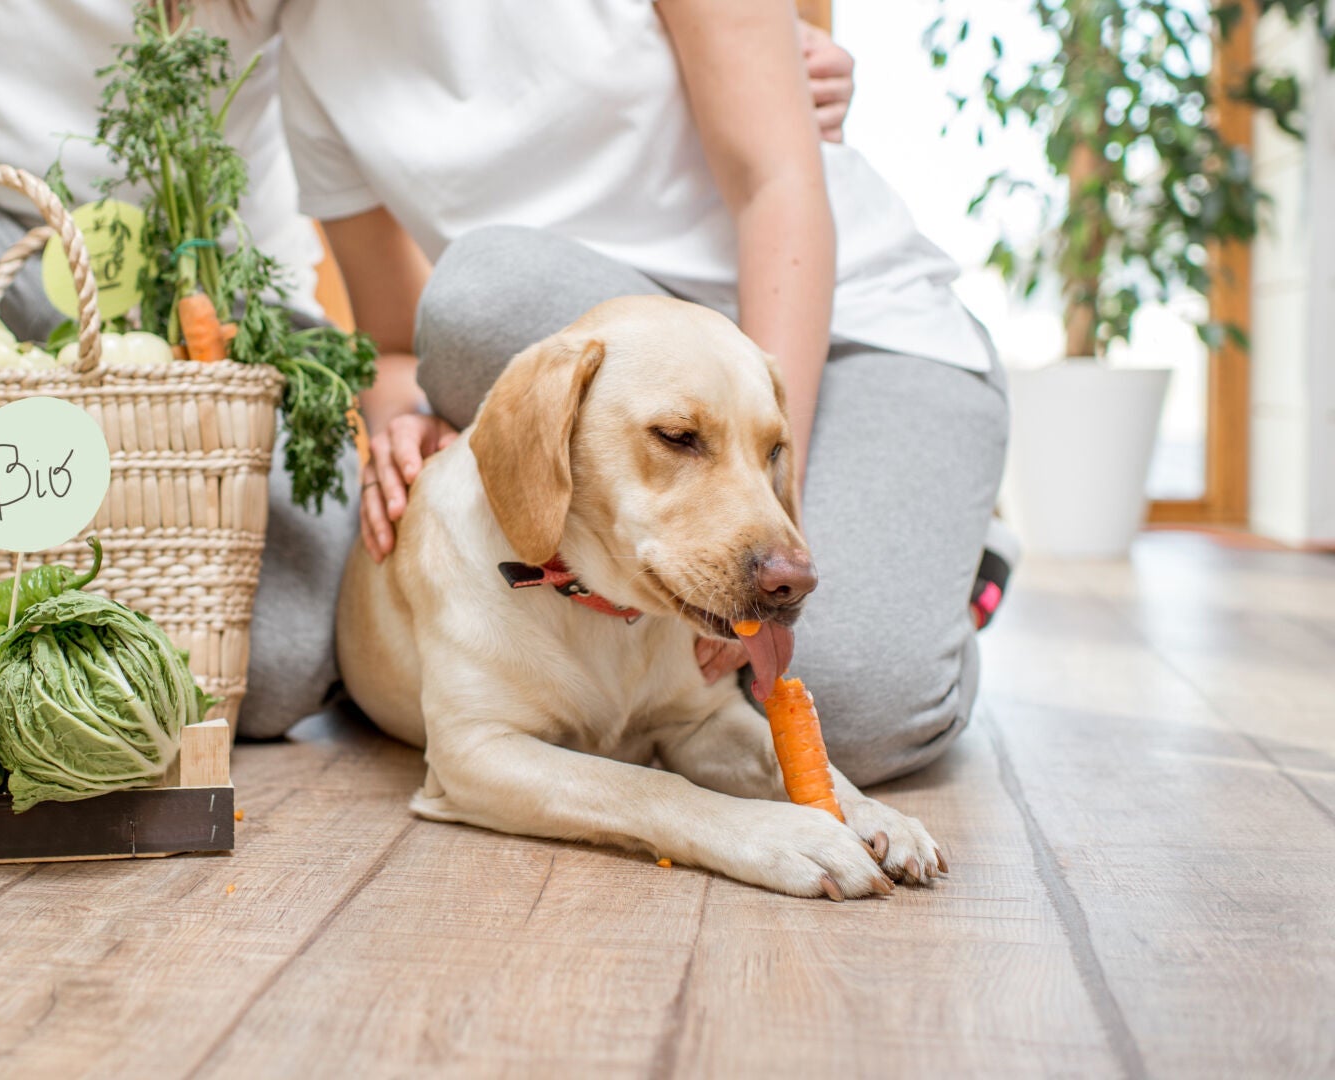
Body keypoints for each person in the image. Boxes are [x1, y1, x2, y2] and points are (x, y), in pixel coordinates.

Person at [0, 0, 857, 741]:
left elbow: (482, 58)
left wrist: (727, 46)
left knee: (262, 678)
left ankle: (48, 589)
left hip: (209, 301)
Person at [258, 0, 1007, 784]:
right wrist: (411, 419)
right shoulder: (311, 42)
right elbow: (399, 340)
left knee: (856, 720)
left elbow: (777, 187)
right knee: (479, 296)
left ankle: (960, 559)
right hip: (601, 354)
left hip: (854, 329)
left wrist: (770, 510)